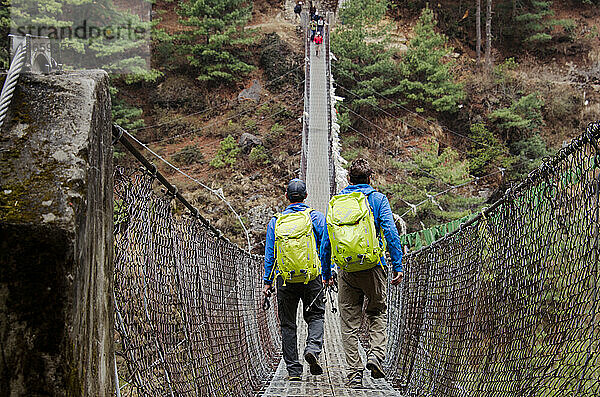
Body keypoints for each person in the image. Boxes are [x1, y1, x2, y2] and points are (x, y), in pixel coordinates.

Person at [320, 158, 403, 388]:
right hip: (374, 267)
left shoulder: (336, 202)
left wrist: (326, 273)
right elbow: (390, 232)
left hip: (346, 270)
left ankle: (355, 374)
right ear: (370, 178)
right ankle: (376, 356)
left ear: (348, 179)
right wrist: (397, 265)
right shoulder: (377, 199)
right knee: (377, 312)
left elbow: (326, 243)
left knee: (349, 324)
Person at [263, 179, 329, 381]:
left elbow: (270, 255)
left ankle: (293, 371)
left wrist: (267, 282)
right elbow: (325, 246)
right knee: (316, 315)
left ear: (286, 196)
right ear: (306, 196)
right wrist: (326, 273)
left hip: (284, 280)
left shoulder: (276, 221)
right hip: (312, 277)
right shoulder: (315, 217)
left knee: (287, 324)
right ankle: (312, 349)